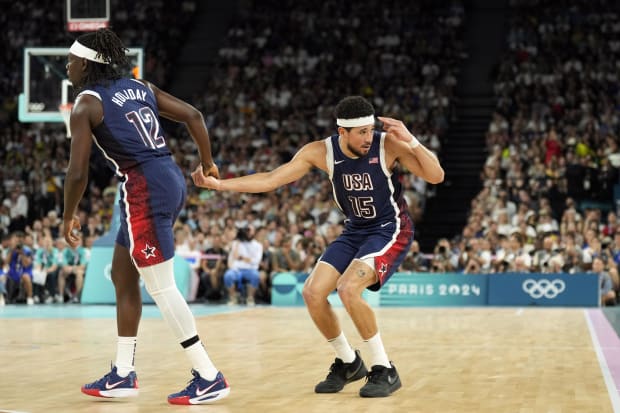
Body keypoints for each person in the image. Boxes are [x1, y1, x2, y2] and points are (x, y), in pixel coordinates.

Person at [193, 96, 444, 397]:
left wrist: (412, 140)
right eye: (361, 132)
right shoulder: (319, 151)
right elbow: (271, 179)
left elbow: (435, 175)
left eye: (369, 129)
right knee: (312, 292)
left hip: (390, 228)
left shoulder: (386, 144)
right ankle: (349, 362)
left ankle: (384, 368)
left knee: (348, 289)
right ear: (342, 133)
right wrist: (220, 186)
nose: (368, 137)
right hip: (355, 230)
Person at [62, 28, 229, 405]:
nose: (67, 66)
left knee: (161, 286)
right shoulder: (142, 87)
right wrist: (207, 163)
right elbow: (194, 116)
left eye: (71, 60)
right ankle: (122, 373)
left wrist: (67, 216)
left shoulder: (87, 103)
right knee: (123, 274)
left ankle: (208, 375)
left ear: (87, 64)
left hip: (144, 188)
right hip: (167, 176)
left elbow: (76, 173)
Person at [223, 225, 263, 306]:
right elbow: (233, 257)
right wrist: (237, 242)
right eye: (246, 230)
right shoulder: (236, 243)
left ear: (254, 233)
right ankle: (233, 297)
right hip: (237, 269)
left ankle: (250, 298)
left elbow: (256, 261)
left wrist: (242, 258)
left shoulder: (258, 245)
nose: (248, 233)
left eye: (250, 231)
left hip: (250, 269)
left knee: (255, 275)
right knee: (228, 275)